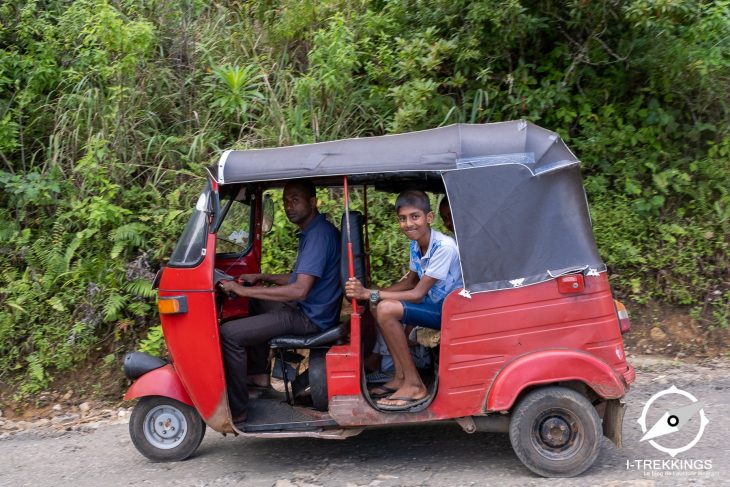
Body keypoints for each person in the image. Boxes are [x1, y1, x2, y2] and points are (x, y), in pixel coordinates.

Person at [218, 179, 342, 423]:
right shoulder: (314, 230)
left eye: (295, 199)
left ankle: (237, 408)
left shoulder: (318, 235)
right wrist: (262, 277)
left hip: (309, 316)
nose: (288, 206)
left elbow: (299, 290)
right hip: (308, 308)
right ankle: (259, 376)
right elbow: (301, 277)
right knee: (256, 303)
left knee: (229, 334)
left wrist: (244, 291)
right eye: (285, 201)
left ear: (313, 202)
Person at [345, 189, 462, 410]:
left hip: (448, 310)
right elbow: (410, 281)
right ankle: (400, 376)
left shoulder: (444, 247)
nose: (408, 224)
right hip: (431, 304)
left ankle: (415, 384)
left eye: (414, 216)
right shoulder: (416, 244)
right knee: (376, 304)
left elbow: (417, 293)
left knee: (386, 307)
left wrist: (370, 293)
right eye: (402, 218)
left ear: (429, 218)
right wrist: (371, 293)